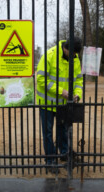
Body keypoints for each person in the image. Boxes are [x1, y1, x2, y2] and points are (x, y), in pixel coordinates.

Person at [36, 37, 83, 173]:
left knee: (63, 130)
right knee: (48, 133)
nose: (74, 56)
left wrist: (77, 94)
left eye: (76, 54)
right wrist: (61, 91)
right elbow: (40, 79)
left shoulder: (75, 58)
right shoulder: (50, 55)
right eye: (73, 53)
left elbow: (79, 80)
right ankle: (50, 161)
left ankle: (64, 154)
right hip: (47, 103)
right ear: (66, 48)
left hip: (64, 104)